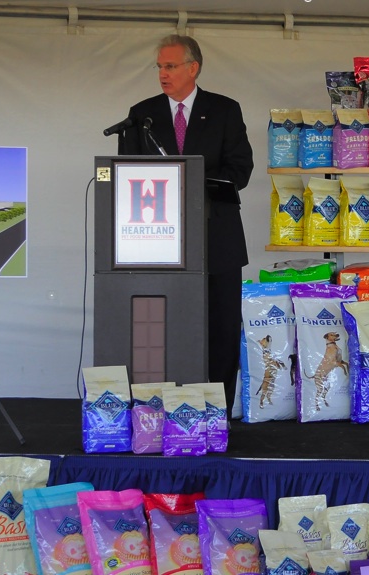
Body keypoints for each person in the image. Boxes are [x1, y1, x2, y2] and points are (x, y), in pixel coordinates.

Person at [119, 34, 254, 410]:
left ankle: (216, 410)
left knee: (221, 328)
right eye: (159, 66)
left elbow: (240, 170)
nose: (162, 73)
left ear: (192, 68)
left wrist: (193, 182)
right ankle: (160, 409)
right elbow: (126, 178)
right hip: (157, 239)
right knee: (164, 328)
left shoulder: (225, 110)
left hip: (217, 236)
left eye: (170, 66)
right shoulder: (140, 115)